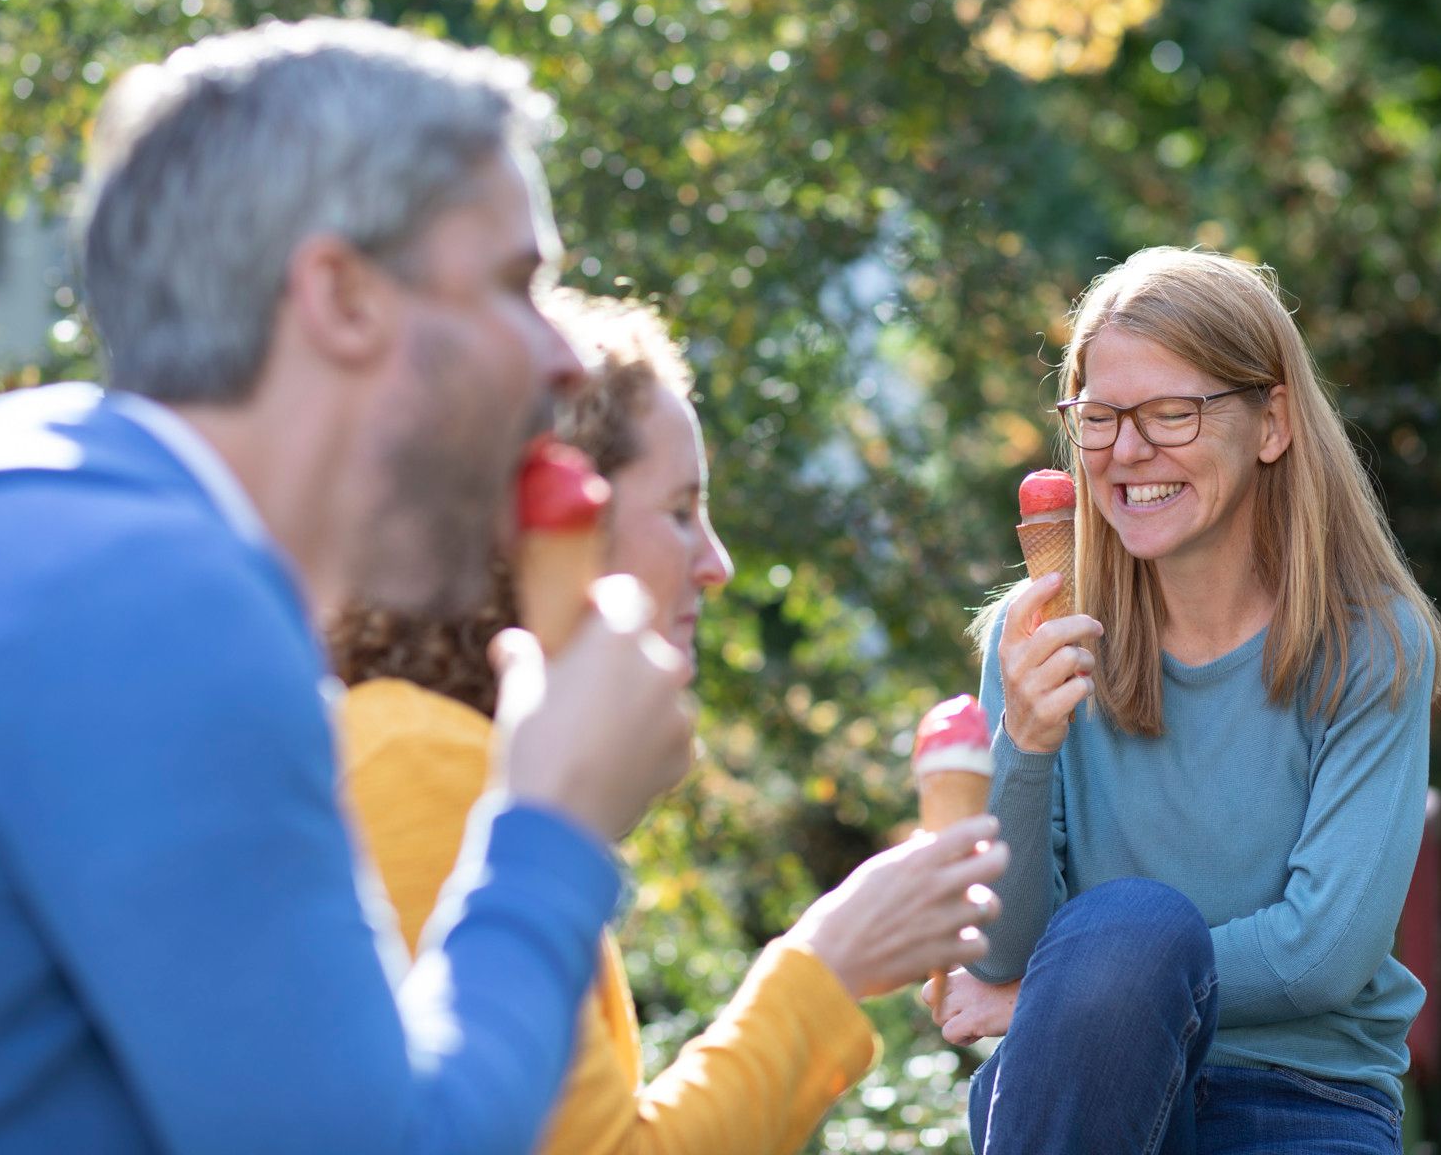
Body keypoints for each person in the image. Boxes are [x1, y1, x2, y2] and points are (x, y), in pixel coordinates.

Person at [0, 20, 696, 1153]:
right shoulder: (152, 602)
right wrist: (554, 819)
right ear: (342, 294)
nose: (561, 357)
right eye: (516, 282)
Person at [330, 291, 1010, 1155]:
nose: (717, 564)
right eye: (681, 511)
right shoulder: (423, 760)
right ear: (553, 521)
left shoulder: (450, 751)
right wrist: (826, 964)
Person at [932, 247, 1441, 1154]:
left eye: (1171, 413)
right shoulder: (1040, 643)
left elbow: (1322, 955)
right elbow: (1000, 951)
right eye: (1099, 418)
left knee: (1133, 932)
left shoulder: (1372, 645)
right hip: (1088, 1095)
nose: (1129, 453)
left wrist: (1047, 995)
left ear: (1271, 424)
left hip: (1299, 1102)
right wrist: (1025, 741)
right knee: (1126, 926)